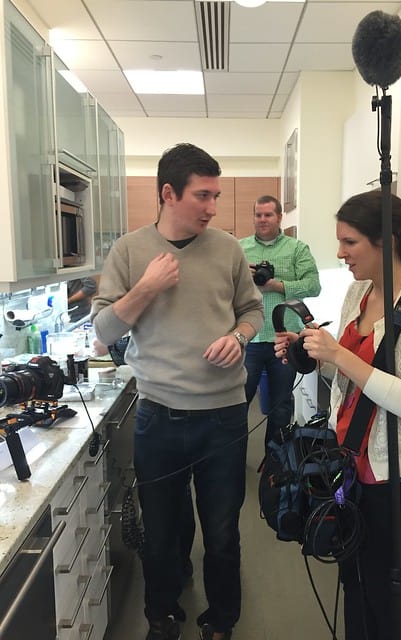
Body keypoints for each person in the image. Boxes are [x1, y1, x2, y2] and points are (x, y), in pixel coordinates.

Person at [91, 143, 264, 640]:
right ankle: (162, 616)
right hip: (159, 416)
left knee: (224, 533)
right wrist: (145, 288)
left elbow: (251, 311)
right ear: (169, 193)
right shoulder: (129, 250)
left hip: (223, 418)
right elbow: (102, 330)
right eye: (202, 195)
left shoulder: (229, 249)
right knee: (163, 534)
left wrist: (239, 337)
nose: (212, 207)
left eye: (215, 195)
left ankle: (221, 621)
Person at [273, 190, 401, 640]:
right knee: (351, 579)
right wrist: (314, 354)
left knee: (386, 586)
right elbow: (351, 373)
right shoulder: (359, 291)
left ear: (387, 241)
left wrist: (338, 352)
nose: (340, 253)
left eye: (349, 242)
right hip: (350, 459)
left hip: (397, 475)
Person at [239, 195, 320, 446]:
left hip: (285, 339)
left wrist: (277, 285)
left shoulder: (297, 249)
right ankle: (233, 458)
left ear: (279, 217)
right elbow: (224, 287)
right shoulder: (239, 249)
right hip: (248, 337)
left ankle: (275, 466)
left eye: (268, 215)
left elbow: (314, 285)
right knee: (237, 403)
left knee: (281, 408)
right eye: (258, 215)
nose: (263, 220)